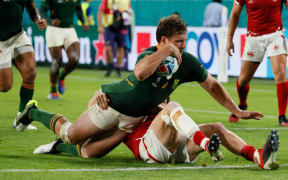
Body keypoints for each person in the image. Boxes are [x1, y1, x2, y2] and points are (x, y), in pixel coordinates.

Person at [15, 14, 263, 164]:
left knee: (90, 154)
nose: (183, 47)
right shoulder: (149, 56)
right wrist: (167, 50)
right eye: (179, 42)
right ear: (163, 41)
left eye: (185, 41)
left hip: (137, 122)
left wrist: (237, 110)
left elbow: (213, 85)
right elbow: (141, 73)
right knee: (71, 134)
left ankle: (56, 147)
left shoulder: (186, 61)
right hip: (112, 106)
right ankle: (32, 110)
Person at [33, 100, 279, 170]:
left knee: (216, 126)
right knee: (172, 110)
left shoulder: (157, 99)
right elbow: (90, 142)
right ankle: (205, 144)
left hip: (175, 147)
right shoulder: (127, 105)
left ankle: (256, 156)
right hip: (149, 147)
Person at [226, 0, 288, 126]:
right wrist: (229, 39)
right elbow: (235, 14)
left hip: (275, 35)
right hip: (253, 38)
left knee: (281, 74)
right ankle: (242, 105)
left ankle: (282, 116)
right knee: (243, 80)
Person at [0, 0, 47, 130]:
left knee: (30, 72)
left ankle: (21, 119)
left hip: (17, 36)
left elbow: (31, 7)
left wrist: (37, 19)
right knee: (5, 86)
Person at [40, 0, 89, 100]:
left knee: (75, 58)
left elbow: (78, 9)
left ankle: (61, 77)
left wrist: (83, 22)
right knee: (56, 61)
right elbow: (42, 11)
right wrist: (50, 21)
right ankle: (53, 92)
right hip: (54, 29)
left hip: (69, 29)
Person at [97, 0, 132, 77]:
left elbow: (130, 12)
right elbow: (100, 11)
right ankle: (110, 67)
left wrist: (129, 23)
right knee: (108, 48)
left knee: (121, 49)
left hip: (122, 27)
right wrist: (100, 26)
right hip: (109, 27)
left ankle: (118, 69)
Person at [203, 0, 228, 83]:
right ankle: (219, 71)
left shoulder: (208, 6)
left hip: (207, 30)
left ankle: (207, 72)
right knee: (220, 52)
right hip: (218, 31)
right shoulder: (222, 7)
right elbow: (224, 23)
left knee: (208, 53)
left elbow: (205, 19)